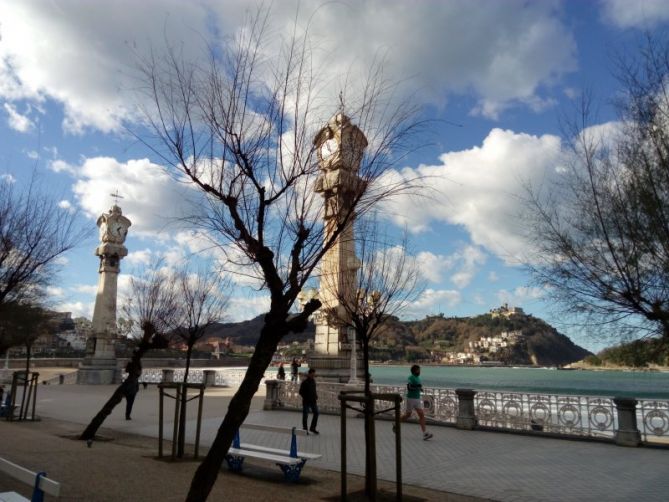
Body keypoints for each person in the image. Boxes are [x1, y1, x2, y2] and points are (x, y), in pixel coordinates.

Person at [399, 365, 433, 440]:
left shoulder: (418, 378)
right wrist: (418, 387)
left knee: (421, 414)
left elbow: (417, 386)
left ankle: (425, 433)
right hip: (410, 398)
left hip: (417, 398)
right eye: (418, 370)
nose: (420, 371)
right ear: (415, 370)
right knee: (408, 415)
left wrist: (420, 389)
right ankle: (396, 423)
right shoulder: (410, 377)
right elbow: (409, 387)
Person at [298, 368, 319, 434]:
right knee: (305, 415)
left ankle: (312, 428)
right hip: (306, 401)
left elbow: (313, 390)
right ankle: (305, 429)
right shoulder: (304, 382)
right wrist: (306, 397)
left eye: (314, 374)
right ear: (309, 374)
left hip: (313, 401)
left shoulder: (313, 381)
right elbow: (300, 392)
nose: (313, 375)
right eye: (312, 374)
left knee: (316, 413)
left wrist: (315, 395)